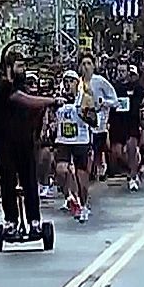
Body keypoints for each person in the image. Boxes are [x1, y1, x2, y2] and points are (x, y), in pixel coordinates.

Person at [0, 52, 63, 238]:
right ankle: (11, 221)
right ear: (8, 67)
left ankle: (34, 221)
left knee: (29, 181)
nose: (23, 70)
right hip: (4, 143)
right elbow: (24, 100)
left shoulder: (23, 86)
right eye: (19, 66)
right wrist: (51, 101)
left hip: (24, 142)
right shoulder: (0, 89)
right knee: (8, 181)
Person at [53, 69, 95, 222]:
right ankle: (69, 197)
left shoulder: (85, 99)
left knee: (81, 177)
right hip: (63, 141)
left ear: (77, 83)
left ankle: (83, 205)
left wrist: (85, 114)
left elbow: (94, 120)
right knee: (61, 170)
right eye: (66, 81)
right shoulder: (58, 99)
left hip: (81, 141)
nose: (68, 84)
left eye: (71, 81)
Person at [78, 53, 117, 181]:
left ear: (94, 66)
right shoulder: (77, 82)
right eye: (83, 64)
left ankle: (101, 168)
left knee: (98, 148)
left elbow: (115, 100)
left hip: (99, 121)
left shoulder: (100, 81)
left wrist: (103, 103)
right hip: (82, 121)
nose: (86, 67)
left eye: (89, 63)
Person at [110, 62, 144, 191]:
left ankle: (133, 176)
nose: (120, 74)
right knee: (117, 153)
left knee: (131, 147)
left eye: (123, 71)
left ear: (128, 73)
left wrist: (143, 112)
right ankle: (134, 165)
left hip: (131, 122)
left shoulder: (136, 87)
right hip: (117, 123)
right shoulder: (113, 87)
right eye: (118, 71)